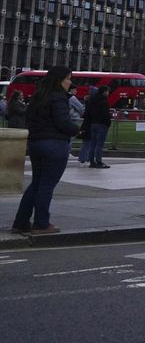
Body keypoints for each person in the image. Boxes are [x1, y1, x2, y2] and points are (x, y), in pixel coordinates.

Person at [10, 66, 78, 234]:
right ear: (59, 80)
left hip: (36, 143)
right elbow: (63, 123)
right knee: (47, 185)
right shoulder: (58, 98)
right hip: (54, 144)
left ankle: (21, 222)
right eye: (68, 79)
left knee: (37, 184)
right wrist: (77, 130)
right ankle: (41, 223)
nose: (70, 82)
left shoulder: (38, 96)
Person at [84, 86, 111, 169]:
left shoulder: (91, 100)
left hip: (93, 123)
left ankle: (92, 162)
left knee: (93, 143)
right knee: (99, 144)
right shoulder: (103, 102)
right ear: (104, 92)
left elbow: (87, 112)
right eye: (107, 91)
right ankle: (99, 161)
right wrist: (108, 123)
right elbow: (105, 114)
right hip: (102, 124)